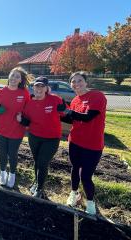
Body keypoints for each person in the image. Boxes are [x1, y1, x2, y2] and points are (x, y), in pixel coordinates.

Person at [61, 71, 107, 215]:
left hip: (92, 145)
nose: (76, 84)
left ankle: (90, 202)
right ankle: (74, 193)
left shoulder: (97, 96)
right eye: (73, 82)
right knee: (75, 168)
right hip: (75, 141)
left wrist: (67, 111)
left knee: (86, 176)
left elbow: (88, 117)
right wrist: (57, 115)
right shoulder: (75, 100)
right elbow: (71, 120)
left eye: (79, 80)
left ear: (86, 82)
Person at [17, 76, 65, 197]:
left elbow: (64, 113)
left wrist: (64, 108)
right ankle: (36, 182)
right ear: (33, 87)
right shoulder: (29, 103)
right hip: (34, 136)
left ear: (46, 88)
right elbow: (27, 122)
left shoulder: (55, 99)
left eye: (42, 86)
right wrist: (20, 120)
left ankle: (40, 189)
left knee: (43, 163)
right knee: (37, 161)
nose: (39, 88)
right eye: (36, 86)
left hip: (51, 138)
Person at [0, 67, 30, 188]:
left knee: (13, 154)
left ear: (21, 80)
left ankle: (12, 175)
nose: (14, 78)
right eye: (12, 75)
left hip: (17, 130)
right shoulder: (0, 92)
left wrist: (22, 119)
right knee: (3, 153)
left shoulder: (24, 93)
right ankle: (2, 173)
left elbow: (28, 111)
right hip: (1, 129)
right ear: (9, 76)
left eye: (17, 77)